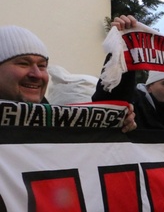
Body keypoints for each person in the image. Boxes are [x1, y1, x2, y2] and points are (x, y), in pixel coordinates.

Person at [0, 25, 136, 132]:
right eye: (23, 64)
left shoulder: (54, 123)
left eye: (42, 66)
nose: (37, 74)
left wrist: (116, 124)